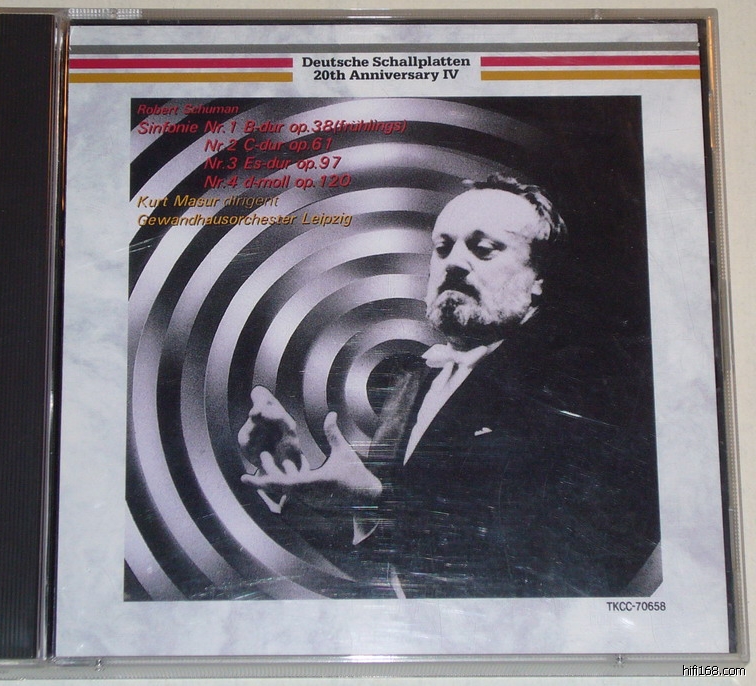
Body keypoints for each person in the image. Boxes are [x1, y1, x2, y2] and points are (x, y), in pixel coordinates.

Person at [239, 173, 660, 598]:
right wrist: (291, 473)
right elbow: (379, 559)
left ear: (539, 280)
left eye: (483, 249)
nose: (453, 263)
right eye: (443, 248)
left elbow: (541, 568)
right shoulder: (411, 385)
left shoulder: (576, 386)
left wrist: (373, 500)